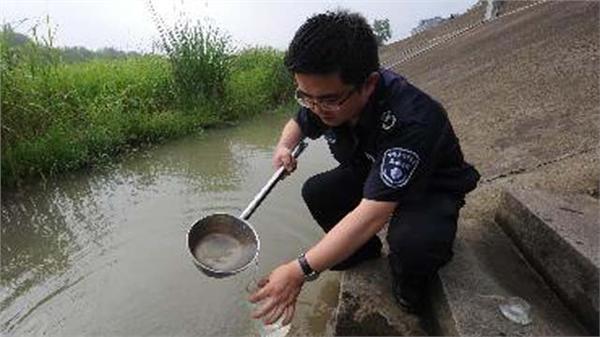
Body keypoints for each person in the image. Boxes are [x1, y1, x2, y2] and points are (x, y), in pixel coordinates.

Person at [249, 9, 480, 325]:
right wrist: (283, 146)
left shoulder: (412, 119)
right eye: (306, 97)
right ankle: (361, 255)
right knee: (318, 191)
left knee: (413, 245)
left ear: (368, 84)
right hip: (372, 167)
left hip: (428, 188)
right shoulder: (325, 96)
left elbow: (373, 214)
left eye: (328, 100)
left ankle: (410, 284)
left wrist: (299, 269)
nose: (317, 109)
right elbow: (298, 121)